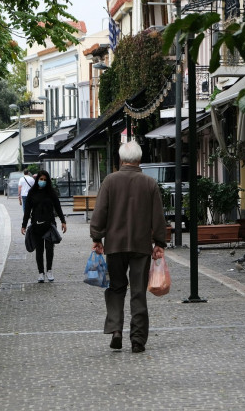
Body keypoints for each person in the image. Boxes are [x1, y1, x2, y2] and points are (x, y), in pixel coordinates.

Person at [90, 141, 167, 354]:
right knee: (138, 292)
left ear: (121, 159)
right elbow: (158, 217)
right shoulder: (149, 183)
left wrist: (97, 237)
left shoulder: (110, 181)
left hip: (114, 246)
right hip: (141, 247)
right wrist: (159, 243)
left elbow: (100, 212)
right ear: (139, 160)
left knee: (116, 288)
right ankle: (138, 340)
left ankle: (116, 330)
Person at [20, 170, 67, 283]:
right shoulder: (32, 192)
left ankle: (49, 270)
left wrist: (63, 221)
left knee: (50, 249)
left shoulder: (51, 192)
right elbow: (27, 210)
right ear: (37, 180)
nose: (43, 181)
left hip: (49, 224)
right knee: (39, 250)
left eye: (45, 180)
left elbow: (58, 206)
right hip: (36, 224)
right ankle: (41, 272)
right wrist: (24, 225)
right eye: (41, 179)